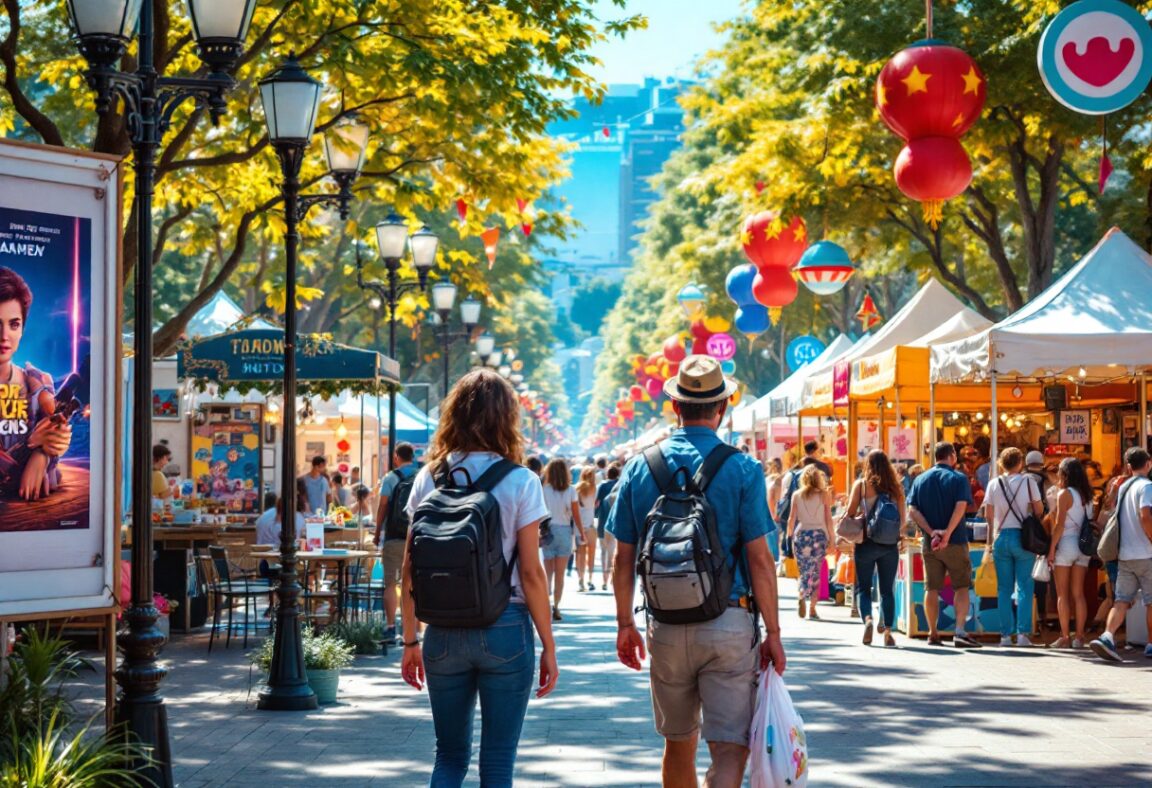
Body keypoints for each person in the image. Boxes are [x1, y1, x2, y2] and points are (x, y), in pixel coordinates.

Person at [608, 355, 785, 788]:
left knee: (677, 742)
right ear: (722, 407)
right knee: (729, 747)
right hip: (729, 621)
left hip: (665, 625)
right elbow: (761, 559)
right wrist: (774, 633)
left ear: (675, 406)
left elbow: (621, 557)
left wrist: (624, 624)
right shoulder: (743, 468)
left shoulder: (640, 465)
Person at [399, 369, 556, 787]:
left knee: (448, 756)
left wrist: (410, 639)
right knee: (498, 761)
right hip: (505, 626)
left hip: (442, 633)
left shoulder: (428, 477)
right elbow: (530, 572)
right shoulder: (521, 481)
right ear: (507, 419)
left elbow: (409, 569)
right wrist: (548, 645)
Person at [909, 442, 981, 648]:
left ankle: (933, 632)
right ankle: (959, 631)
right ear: (952, 456)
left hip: (930, 543)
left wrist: (932, 532)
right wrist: (947, 533)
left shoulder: (920, 479)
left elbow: (912, 510)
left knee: (931, 587)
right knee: (961, 586)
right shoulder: (959, 478)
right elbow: (961, 508)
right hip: (956, 541)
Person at [1089, 447, 1152, 662]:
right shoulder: (1147, 487)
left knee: (1121, 601)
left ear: (1128, 466)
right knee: (1151, 601)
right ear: (1148, 463)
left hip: (1125, 554)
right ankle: (1151, 644)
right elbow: (1145, 516)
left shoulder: (1123, 487)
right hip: (1146, 553)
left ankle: (1107, 636)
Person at [981, 447, 1044, 647]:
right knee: (1025, 586)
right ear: (1020, 463)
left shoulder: (993, 484)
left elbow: (988, 516)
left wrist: (989, 543)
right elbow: (1039, 510)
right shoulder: (1029, 482)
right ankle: (1023, 634)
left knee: (1004, 588)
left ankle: (1005, 636)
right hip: (1023, 538)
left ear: (1001, 463)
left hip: (1000, 537)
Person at [844, 450, 905, 647]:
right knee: (887, 590)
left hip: (866, 543)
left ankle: (868, 620)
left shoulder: (861, 486)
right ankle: (887, 631)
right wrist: (897, 535)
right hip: (889, 544)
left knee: (864, 587)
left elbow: (850, 513)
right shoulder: (896, 488)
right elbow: (903, 520)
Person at [1047, 457, 1095, 649]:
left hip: (1066, 544)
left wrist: (1051, 549)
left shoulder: (1064, 494)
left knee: (1062, 595)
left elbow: (1059, 526)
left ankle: (1065, 636)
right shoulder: (1087, 496)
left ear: (1064, 474)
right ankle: (1080, 637)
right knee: (1078, 594)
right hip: (1083, 547)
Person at [373, 442, 418, 643]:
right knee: (415, 584)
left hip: (394, 537)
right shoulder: (422, 476)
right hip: (417, 537)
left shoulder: (391, 478)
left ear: (395, 457)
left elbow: (383, 506)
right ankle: (415, 629)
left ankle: (391, 627)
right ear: (413, 456)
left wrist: (377, 532)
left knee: (391, 583)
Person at [787, 464, 834, 620]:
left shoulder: (796, 495)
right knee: (815, 572)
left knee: (803, 570)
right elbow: (828, 519)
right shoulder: (824, 495)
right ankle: (812, 609)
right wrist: (832, 539)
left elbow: (791, 519)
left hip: (801, 536)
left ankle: (801, 593)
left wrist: (789, 538)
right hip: (819, 536)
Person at [541, 458, 581, 620]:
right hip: (564, 531)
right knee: (560, 574)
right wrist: (581, 534)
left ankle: (545, 605)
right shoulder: (571, 490)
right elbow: (576, 514)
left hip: (547, 532)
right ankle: (556, 606)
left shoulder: (544, 490)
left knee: (547, 574)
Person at [595, 464, 621, 590]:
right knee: (614, 551)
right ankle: (612, 578)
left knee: (604, 551)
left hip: (603, 520)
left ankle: (604, 579)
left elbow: (597, 503)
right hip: (617, 522)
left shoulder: (603, 486)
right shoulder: (621, 485)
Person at [575, 466, 598, 592]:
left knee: (580, 555)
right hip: (590, 525)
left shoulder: (576, 489)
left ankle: (581, 580)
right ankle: (590, 579)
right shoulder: (594, 489)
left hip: (579, 526)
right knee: (592, 554)